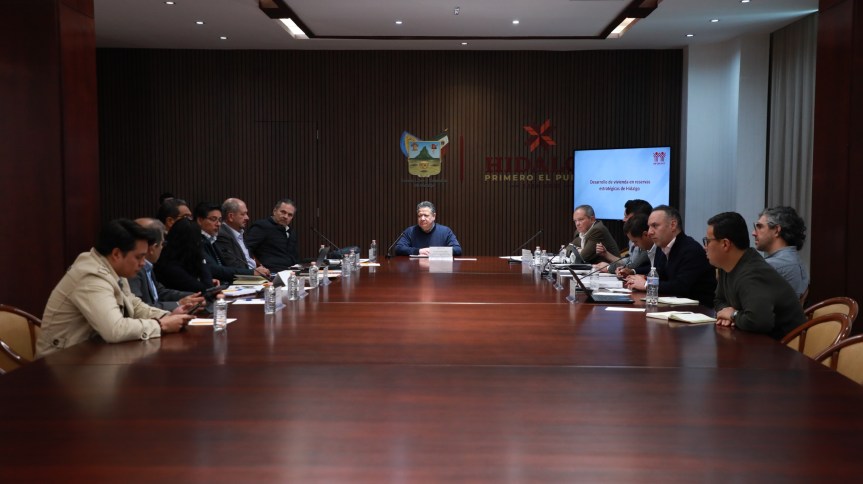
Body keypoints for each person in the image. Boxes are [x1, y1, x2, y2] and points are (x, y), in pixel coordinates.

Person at [37, 219, 193, 357]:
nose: (143, 263)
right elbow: (114, 329)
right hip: (61, 363)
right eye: (139, 257)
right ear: (117, 254)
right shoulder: (90, 276)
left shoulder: (114, 269)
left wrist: (167, 315)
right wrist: (161, 325)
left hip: (92, 355)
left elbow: (134, 306)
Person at [706, 212, 806, 340]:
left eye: (708, 241)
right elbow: (719, 300)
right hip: (755, 340)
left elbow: (759, 322)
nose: (705, 247)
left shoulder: (753, 273)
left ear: (725, 244)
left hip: (785, 345)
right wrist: (726, 312)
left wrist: (733, 315)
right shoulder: (727, 265)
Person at [624, 205, 716, 306]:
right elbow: (662, 275)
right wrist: (645, 278)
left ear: (673, 225)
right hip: (673, 307)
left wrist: (646, 284)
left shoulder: (691, 250)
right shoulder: (663, 247)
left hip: (698, 310)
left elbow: (680, 286)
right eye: (649, 226)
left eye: (655, 226)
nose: (649, 232)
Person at [128, 218, 203, 310]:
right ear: (153, 247)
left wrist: (194, 296)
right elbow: (139, 309)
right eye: (163, 244)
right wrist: (178, 304)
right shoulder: (134, 269)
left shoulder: (148, 266)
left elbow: (159, 292)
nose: (163, 248)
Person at [752, 206, 810, 298]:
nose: (753, 233)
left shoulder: (771, 265)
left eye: (759, 226)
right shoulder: (797, 262)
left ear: (776, 230)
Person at [195, 201, 257, 282]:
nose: (218, 224)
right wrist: (252, 273)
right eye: (213, 219)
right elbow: (214, 269)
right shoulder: (196, 240)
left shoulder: (212, 239)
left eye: (220, 220)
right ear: (200, 220)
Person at [155, 217, 218, 292]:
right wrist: (202, 259)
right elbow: (207, 289)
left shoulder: (181, 258)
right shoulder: (171, 267)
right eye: (198, 240)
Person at [215, 198, 270, 277]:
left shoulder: (240, 233)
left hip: (252, 277)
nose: (247, 218)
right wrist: (253, 272)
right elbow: (232, 266)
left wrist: (260, 269)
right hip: (241, 280)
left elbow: (248, 260)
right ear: (231, 217)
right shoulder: (222, 235)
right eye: (243, 214)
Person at [245, 198, 300, 272]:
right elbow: (246, 249)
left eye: (290, 215)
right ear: (274, 211)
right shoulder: (262, 226)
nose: (286, 216)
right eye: (283, 212)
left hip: (291, 272)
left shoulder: (291, 232)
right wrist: (258, 266)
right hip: (270, 272)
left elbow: (294, 257)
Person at [395, 201, 462, 256]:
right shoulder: (410, 231)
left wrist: (434, 251)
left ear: (434, 216)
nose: (422, 218)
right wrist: (418, 251)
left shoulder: (445, 231)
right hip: (415, 267)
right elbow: (398, 248)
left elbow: (457, 249)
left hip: (438, 266)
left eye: (426, 215)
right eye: (419, 216)